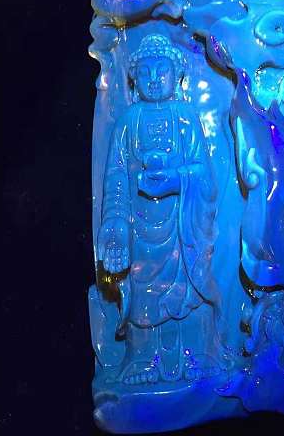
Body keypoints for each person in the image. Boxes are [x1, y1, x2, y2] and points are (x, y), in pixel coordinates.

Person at [97, 34, 225, 385]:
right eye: (145, 72)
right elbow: (116, 177)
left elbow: (205, 175)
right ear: (134, 79)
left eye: (162, 71)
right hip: (141, 229)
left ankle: (199, 353)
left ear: (177, 76)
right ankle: (144, 358)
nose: (154, 79)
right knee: (144, 291)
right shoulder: (128, 121)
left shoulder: (186, 117)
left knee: (190, 289)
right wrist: (115, 223)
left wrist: (177, 179)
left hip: (183, 228)